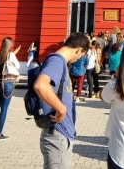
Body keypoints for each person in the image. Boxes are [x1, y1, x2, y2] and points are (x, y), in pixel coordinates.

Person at [34, 32, 90, 169]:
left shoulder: (60, 62)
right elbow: (41, 85)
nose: (78, 59)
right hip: (57, 135)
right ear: (79, 50)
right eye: (81, 55)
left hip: (60, 134)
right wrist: (61, 108)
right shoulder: (57, 61)